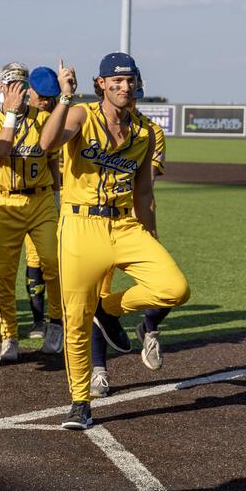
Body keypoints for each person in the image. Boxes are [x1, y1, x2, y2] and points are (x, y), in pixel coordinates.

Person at [41, 52, 189, 430]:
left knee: (174, 288)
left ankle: (108, 311)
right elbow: (48, 143)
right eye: (116, 81)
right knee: (75, 320)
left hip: (125, 226)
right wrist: (64, 97)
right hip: (79, 226)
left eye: (130, 80)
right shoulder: (80, 114)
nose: (125, 87)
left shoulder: (146, 131)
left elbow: (143, 192)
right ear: (101, 84)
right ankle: (80, 402)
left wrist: (151, 233)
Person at [89, 68, 171, 396]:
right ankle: (98, 371)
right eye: (123, 87)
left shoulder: (149, 132)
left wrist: (148, 228)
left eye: (134, 90)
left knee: (167, 288)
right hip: (94, 223)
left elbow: (144, 183)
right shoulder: (93, 122)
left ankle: (149, 327)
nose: (130, 95)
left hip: (133, 220)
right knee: (97, 297)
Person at [0, 63, 65, 362]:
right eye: (11, 84)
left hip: (40, 200)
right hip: (6, 202)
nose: (17, 89)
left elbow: (52, 158)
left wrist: (56, 196)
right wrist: (12, 113)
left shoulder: (43, 118)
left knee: (53, 264)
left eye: (21, 84)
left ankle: (56, 324)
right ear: (1, 87)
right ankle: (9, 335)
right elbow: (1, 151)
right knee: (4, 273)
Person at [21, 66, 63, 338]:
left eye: (52, 97)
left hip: (64, 197)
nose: (47, 101)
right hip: (32, 198)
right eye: (42, 96)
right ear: (29, 92)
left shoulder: (65, 117)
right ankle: (39, 321)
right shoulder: (22, 119)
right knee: (36, 259)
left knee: (61, 261)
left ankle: (60, 318)